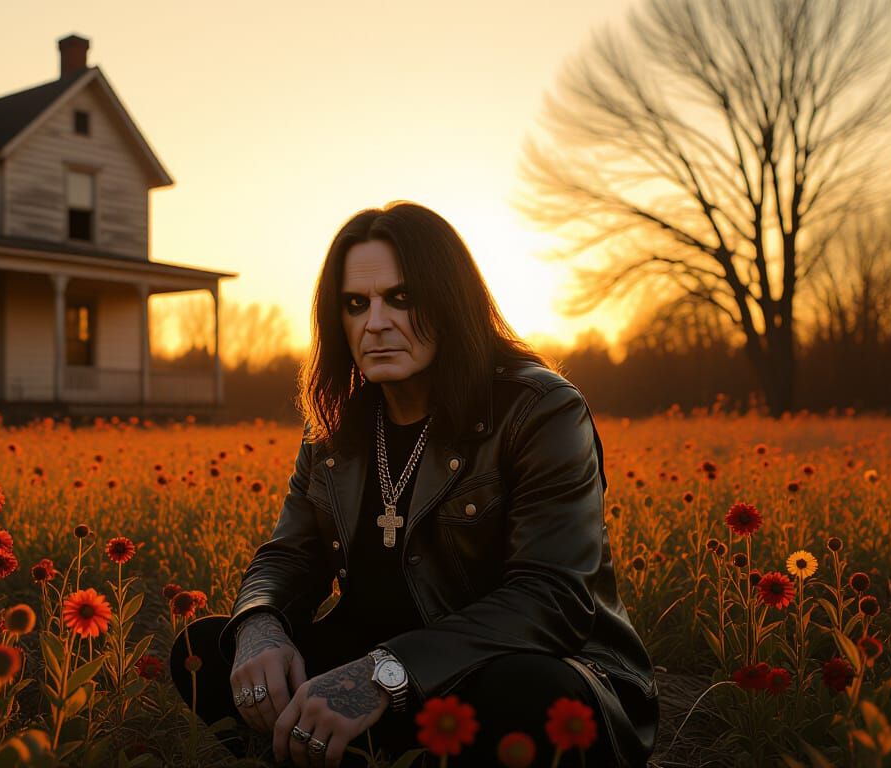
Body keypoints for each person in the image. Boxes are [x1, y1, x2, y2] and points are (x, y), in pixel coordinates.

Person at [170, 201, 659, 767]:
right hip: (369, 673)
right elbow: (288, 556)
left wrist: (385, 672)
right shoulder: (336, 427)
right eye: (356, 304)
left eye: (401, 298)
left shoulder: (539, 410)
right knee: (207, 651)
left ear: (450, 301)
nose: (376, 322)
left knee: (527, 692)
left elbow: (552, 599)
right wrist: (259, 624)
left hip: (500, 670)